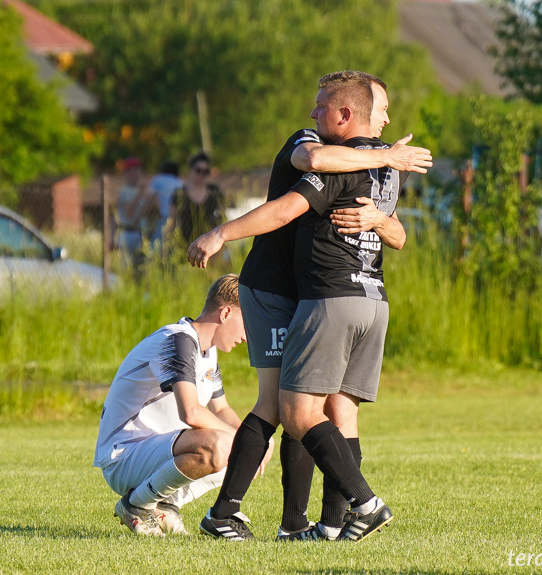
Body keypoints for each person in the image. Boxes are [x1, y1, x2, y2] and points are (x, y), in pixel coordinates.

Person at [190, 72, 431, 541]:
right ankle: (245, 517)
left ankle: (325, 523)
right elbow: (310, 168)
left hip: (321, 294)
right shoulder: (315, 143)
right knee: (282, 403)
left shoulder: (369, 166)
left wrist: (379, 214)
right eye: (381, 112)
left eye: (320, 105)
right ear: (354, 116)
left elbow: (398, 235)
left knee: (317, 408)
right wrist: (220, 233)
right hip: (275, 288)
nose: (385, 123)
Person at [93, 274, 251, 536]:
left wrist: (255, 440)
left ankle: (165, 505)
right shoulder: (178, 340)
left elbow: (222, 409)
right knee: (222, 445)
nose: (247, 336)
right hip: (123, 455)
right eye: (247, 324)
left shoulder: (207, 349)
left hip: (154, 452)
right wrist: (241, 439)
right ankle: (136, 505)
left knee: (247, 448)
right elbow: (190, 412)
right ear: (225, 313)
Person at [169, 152, 225, 248]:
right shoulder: (179, 194)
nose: (201, 174)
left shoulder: (214, 192)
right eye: (198, 170)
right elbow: (171, 221)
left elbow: (222, 218)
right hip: (185, 246)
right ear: (190, 170)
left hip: (211, 246)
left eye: (205, 171)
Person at [114, 157, 157, 272]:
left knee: (142, 268)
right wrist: (140, 194)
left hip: (141, 233)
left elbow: (146, 213)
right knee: (126, 269)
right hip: (128, 233)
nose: (136, 174)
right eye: (132, 171)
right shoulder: (125, 191)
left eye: (138, 170)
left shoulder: (144, 190)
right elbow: (128, 214)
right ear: (127, 173)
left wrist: (150, 199)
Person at [148, 160, 184, 247]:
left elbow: (151, 198)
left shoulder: (158, 180)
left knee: (156, 245)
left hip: (162, 217)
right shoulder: (180, 183)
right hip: (177, 219)